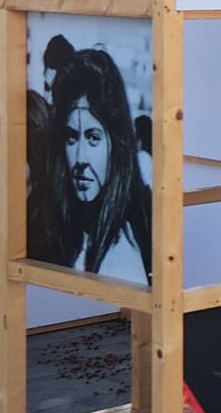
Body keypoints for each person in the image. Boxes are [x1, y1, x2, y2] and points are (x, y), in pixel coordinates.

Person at [36, 47, 151, 282]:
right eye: (71, 137)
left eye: (93, 138)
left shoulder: (122, 254)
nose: (80, 159)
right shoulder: (70, 234)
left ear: (115, 145)